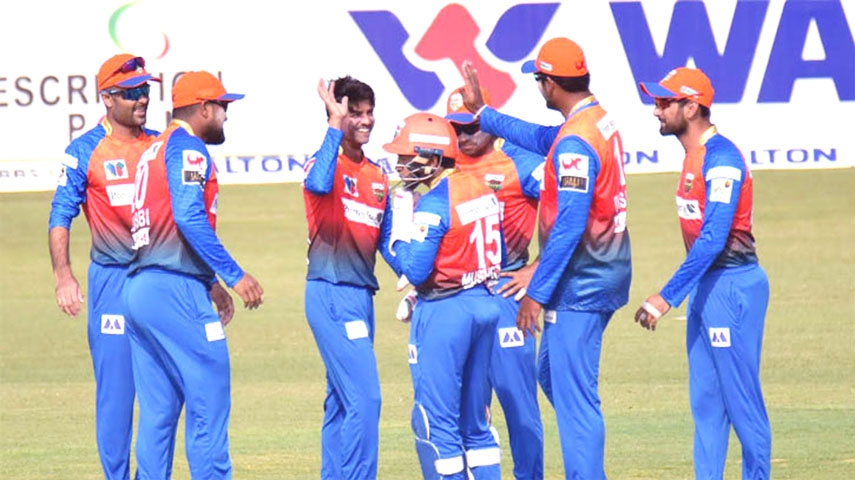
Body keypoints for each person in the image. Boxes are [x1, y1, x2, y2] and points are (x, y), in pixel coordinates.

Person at [460, 36, 632, 479]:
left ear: (551, 84)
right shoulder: (594, 121)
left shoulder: (575, 142)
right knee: (554, 377)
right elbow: (538, 137)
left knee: (575, 403)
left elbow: (571, 224)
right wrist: (485, 114)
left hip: (583, 284)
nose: (539, 87)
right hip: (599, 273)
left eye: (539, 79)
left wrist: (535, 291)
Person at [125, 70, 264, 479]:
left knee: (157, 413)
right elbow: (187, 216)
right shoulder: (189, 149)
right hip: (174, 292)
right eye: (222, 107)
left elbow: (167, 218)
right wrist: (234, 276)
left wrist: (210, 283)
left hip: (140, 290)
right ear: (203, 108)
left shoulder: (154, 149)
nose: (225, 116)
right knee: (209, 403)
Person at [635, 67, 771, 479]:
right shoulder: (693, 157)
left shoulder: (723, 158)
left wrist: (665, 297)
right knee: (707, 406)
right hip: (707, 289)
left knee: (743, 405)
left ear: (691, 107)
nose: (656, 110)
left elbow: (713, 238)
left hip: (732, 287)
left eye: (664, 102)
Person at [48, 53, 160, 480]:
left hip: (158, 280)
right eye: (132, 93)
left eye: (146, 90)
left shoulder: (159, 145)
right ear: (107, 97)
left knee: (162, 393)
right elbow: (60, 215)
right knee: (117, 394)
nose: (142, 99)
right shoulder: (83, 151)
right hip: (112, 281)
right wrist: (64, 276)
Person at [384, 112, 503, 480]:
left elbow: (415, 270)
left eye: (408, 156)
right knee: (476, 424)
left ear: (433, 159)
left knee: (435, 425)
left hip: (446, 312)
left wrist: (395, 230)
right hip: (484, 302)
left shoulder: (435, 204)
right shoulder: (481, 187)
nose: (401, 164)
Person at [447, 86, 545, 480]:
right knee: (465, 406)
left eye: (472, 126)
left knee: (518, 404)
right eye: (457, 128)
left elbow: (571, 209)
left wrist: (537, 268)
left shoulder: (519, 161)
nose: (464, 136)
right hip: (459, 295)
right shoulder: (447, 161)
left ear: (487, 120)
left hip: (507, 293)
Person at [303, 76, 396, 480]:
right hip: (331, 291)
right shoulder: (323, 162)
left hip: (361, 297)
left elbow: (390, 245)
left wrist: (432, 280)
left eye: (367, 112)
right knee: (366, 398)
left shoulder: (378, 175)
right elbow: (319, 183)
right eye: (353, 113)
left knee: (341, 401)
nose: (365, 121)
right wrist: (333, 126)